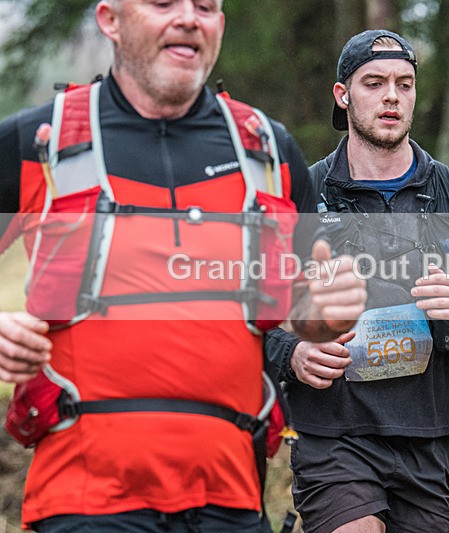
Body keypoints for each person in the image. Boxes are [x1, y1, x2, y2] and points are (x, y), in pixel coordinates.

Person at [0, 1, 365, 531]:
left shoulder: (269, 152)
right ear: (110, 20)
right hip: (84, 503)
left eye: (206, 6)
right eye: (164, 3)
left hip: (231, 500)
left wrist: (327, 316)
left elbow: (304, 310)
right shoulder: (37, 142)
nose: (190, 18)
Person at [266, 30, 449, 533]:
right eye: (374, 83)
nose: (392, 96)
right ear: (343, 95)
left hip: (427, 434)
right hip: (333, 430)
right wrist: (292, 352)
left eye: (405, 83)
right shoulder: (302, 198)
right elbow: (255, 316)